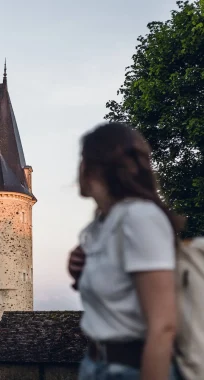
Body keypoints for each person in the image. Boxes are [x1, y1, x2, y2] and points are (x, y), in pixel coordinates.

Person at [68, 122, 185, 380]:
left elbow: (163, 325)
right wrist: (81, 271)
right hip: (97, 365)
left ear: (93, 167)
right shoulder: (102, 224)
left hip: (129, 369)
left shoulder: (140, 217)